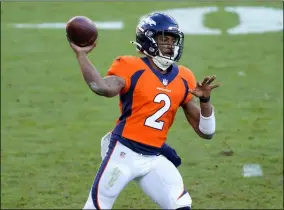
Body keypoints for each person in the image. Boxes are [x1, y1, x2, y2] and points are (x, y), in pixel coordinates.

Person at [68, 12, 220, 210]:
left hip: (154, 157)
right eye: (163, 39)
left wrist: (205, 101)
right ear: (148, 40)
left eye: (172, 39)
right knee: (97, 206)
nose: (169, 45)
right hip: (124, 152)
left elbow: (206, 132)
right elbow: (102, 88)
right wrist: (82, 56)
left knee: (181, 206)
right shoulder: (131, 66)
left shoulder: (184, 77)